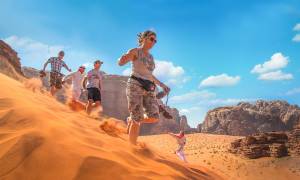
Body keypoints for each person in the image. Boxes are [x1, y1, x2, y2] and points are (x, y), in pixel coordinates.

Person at [118, 30, 170, 145]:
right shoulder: (135, 51)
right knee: (137, 120)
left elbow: (149, 75)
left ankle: (131, 119)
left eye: (155, 41)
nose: (154, 42)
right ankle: (132, 149)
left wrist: (162, 85)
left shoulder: (151, 57)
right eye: (152, 39)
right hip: (135, 84)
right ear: (144, 38)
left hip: (148, 87)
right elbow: (120, 63)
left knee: (154, 116)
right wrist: (122, 59)